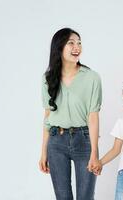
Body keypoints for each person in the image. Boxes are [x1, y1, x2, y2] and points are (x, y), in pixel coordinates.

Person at [39, 28, 102, 200]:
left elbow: (93, 116)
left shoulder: (92, 77)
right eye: (71, 43)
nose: (77, 47)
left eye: (79, 43)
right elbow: (47, 117)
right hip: (56, 142)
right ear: (59, 47)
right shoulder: (48, 79)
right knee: (62, 197)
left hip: (84, 140)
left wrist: (94, 153)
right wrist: (43, 151)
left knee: (85, 197)